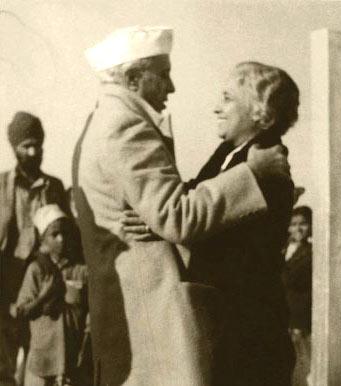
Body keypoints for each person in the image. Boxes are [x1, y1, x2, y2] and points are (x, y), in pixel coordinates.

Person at [72, 26, 292, 386]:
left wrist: (163, 216)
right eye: (163, 75)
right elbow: (178, 215)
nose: (171, 87)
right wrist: (248, 175)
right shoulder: (125, 125)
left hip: (228, 330)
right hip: (148, 316)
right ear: (132, 78)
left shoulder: (105, 120)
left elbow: (177, 212)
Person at [123, 61, 299, 385]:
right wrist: (159, 217)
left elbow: (218, 237)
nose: (217, 107)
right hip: (227, 327)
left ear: (262, 111)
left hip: (250, 336)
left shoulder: (269, 168)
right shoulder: (231, 153)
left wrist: (163, 224)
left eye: (228, 98)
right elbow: (193, 195)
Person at [0, 112, 70, 386]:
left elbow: (65, 238)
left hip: (43, 287)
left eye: (38, 145)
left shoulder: (54, 187)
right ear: (14, 147)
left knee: (38, 368)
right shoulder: (2, 186)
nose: (33, 152)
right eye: (26, 146)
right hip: (6, 286)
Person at [12, 204, 88, 386]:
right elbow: (21, 311)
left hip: (72, 363)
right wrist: (44, 296)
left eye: (65, 233)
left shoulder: (81, 271)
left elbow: (90, 314)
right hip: (41, 365)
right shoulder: (36, 270)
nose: (61, 239)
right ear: (43, 238)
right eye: (54, 234)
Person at [282, 206, 312, 386]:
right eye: (294, 224)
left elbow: (309, 290)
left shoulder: (311, 253)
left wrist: (300, 322)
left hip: (299, 317)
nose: (298, 228)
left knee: (301, 362)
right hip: (281, 315)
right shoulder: (282, 250)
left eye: (303, 224)